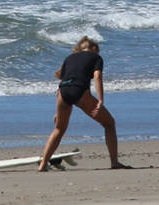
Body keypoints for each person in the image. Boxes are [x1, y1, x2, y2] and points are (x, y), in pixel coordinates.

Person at [39, 37, 128, 172]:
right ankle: (114, 162)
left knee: (59, 129)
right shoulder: (96, 58)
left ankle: (43, 164)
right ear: (94, 49)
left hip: (62, 92)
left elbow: (63, 82)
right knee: (109, 124)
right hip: (79, 91)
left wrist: (58, 112)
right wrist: (100, 100)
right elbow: (97, 77)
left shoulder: (69, 58)